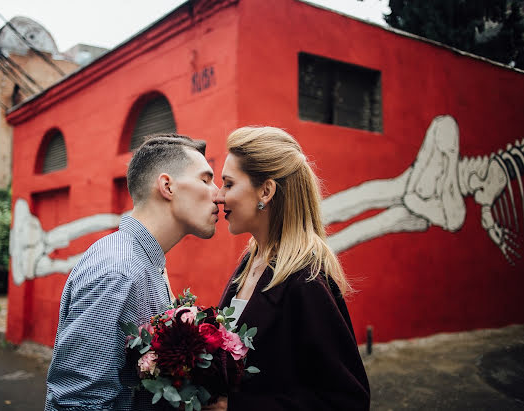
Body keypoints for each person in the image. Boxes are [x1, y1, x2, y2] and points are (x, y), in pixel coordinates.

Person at [45, 134, 220, 411]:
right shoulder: (119, 272)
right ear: (167, 186)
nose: (218, 194)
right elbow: (78, 403)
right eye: (206, 179)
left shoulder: (145, 262)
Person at [213, 126, 370, 410]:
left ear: (266, 191)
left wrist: (236, 407)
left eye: (228, 184)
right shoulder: (250, 261)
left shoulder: (305, 279)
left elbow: (347, 399)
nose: (219, 196)